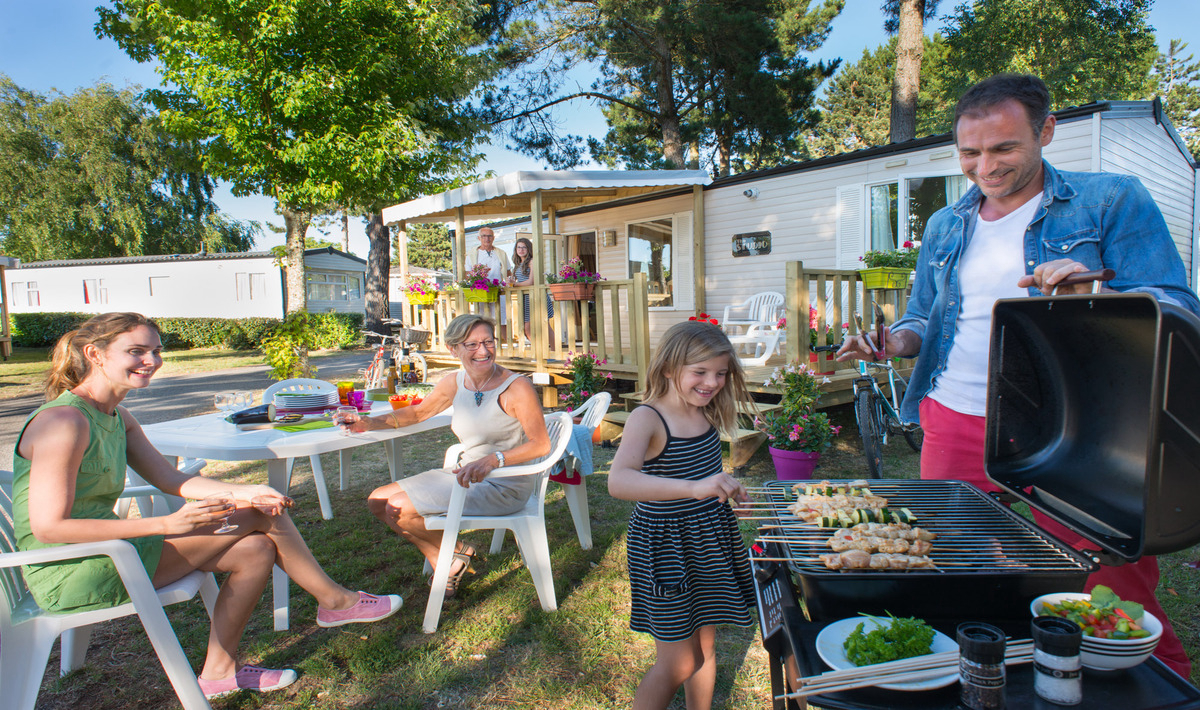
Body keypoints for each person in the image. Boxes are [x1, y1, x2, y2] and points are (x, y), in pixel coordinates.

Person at [837, 74, 1199, 678]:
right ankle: (991, 676)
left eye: (1003, 148)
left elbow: (1177, 305)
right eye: (970, 152)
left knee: (1108, 584)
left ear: (1046, 131)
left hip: (1075, 430)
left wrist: (1098, 290)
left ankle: (1159, 686)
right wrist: (893, 340)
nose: (985, 166)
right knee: (960, 566)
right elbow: (925, 316)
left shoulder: (1111, 198)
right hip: (953, 418)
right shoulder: (945, 225)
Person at [12, 313, 402, 700]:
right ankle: (335, 601)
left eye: (156, 351)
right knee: (256, 517)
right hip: (73, 567)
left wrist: (246, 491)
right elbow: (50, 528)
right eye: (136, 351)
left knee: (256, 548)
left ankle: (219, 673)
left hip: (112, 551)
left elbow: (173, 480)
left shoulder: (117, 417)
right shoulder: (64, 422)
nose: (151, 361)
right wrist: (166, 525)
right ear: (95, 354)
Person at [340, 314, 550, 598]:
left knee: (398, 508)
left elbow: (540, 445)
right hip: (465, 474)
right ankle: (453, 555)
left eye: (488, 342)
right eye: (472, 344)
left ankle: (447, 563)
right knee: (377, 501)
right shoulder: (455, 382)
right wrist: (368, 422)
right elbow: (418, 412)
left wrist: (492, 460)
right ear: (454, 349)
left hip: (503, 483)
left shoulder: (516, 387)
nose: (484, 351)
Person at [608, 320, 756, 710]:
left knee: (705, 646)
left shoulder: (702, 410)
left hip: (706, 539)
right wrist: (693, 489)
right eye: (701, 372)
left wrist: (725, 488)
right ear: (670, 368)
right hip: (664, 548)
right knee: (679, 660)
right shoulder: (649, 418)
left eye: (721, 373)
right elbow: (619, 481)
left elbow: (703, 474)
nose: (713, 382)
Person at [508, 236, 556, 350]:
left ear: (529, 249)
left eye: (524, 247)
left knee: (544, 325)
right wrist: (510, 282)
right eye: (519, 247)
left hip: (537, 296)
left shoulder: (532, 261)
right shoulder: (517, 264)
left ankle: (554, 350)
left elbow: (531, 281)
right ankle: (540, 350)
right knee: (527, 327)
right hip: (525, 299)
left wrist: (514, 284)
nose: (521, 250)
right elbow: (518, 282)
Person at [465, 226, 511, 339]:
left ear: (493, 238)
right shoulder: (472, 254)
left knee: (501, 318)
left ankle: (503, 344)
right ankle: (486, 341)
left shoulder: (500, 253)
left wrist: (508, 284)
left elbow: (508, 271)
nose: (487, 239)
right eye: (484, 236)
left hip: (499, 290)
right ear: (479, 238)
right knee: (482, 319)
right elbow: (468, 274)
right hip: (481, 291)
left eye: (489, 236)